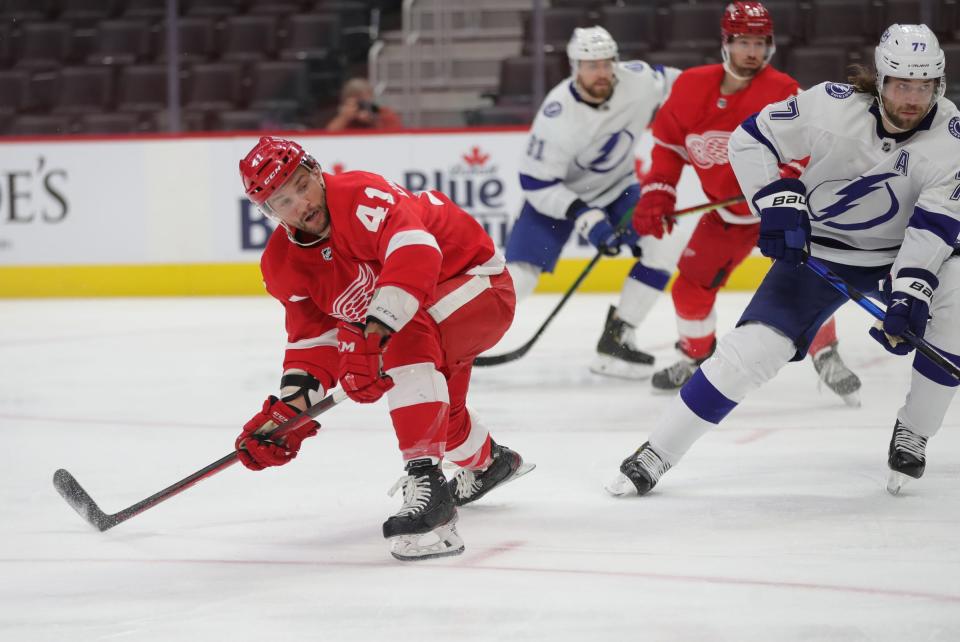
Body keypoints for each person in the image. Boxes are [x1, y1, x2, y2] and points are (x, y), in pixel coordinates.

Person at [607, 23, 960, 498]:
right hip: (823, 251)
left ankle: (914, 430)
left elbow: (934, 226)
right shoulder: (831, 105)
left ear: (939, 84)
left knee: (954, 309)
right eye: (901, 84)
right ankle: (658, 450)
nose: (912, 99)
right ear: (880, 80)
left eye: (924, 87)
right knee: (749, 352)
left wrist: (911, 293)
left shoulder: (952, 137)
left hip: (902, 253)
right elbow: (750, 139)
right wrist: (774, 201)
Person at [235, 136, 532, 561]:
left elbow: (416, 252)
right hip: (427, 316)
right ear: (269, 213)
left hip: (477, 287)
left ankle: (430, 492)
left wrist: (372, 337)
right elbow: (312, 340)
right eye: (283, 201)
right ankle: (491, 463)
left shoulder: (360, 195)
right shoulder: (282, 263)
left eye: (302, 184)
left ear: (317, 171)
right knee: (438, 420)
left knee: (403, 341)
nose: (301, 203)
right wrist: (290, 411)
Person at [633, 1, 861, 406]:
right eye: (743, 42)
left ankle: (824, 351)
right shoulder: (689, 86)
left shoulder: (785, 91)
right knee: (688, 287)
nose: (752, 51)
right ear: (726, 43)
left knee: (806, 282)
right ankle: (695, 352)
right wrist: (659, 190)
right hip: (726, 214)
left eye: (759, 42)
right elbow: (668, 146)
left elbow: (807, 151)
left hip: (783, 208)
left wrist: (782, 181)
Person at [503, 26, 683, 379]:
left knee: (662, 245)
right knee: (519, 279)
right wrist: (585, 216)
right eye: (590, 65)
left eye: (606, 63)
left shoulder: (640, 80)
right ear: (575, 67)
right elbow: (535, 182)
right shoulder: (557, 116)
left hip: (616, 188)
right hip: (556, 198)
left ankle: (618, 335)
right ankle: (451, 339)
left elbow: (691, 87)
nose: (601, 73)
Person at [325, 77, 403, 131]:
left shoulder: (383, 112)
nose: (362, 106)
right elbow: (328, 137)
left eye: (364, 102)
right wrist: (344, 118)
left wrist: (373, 121)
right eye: (358, 103)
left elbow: (395, 135)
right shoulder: (345, 116)